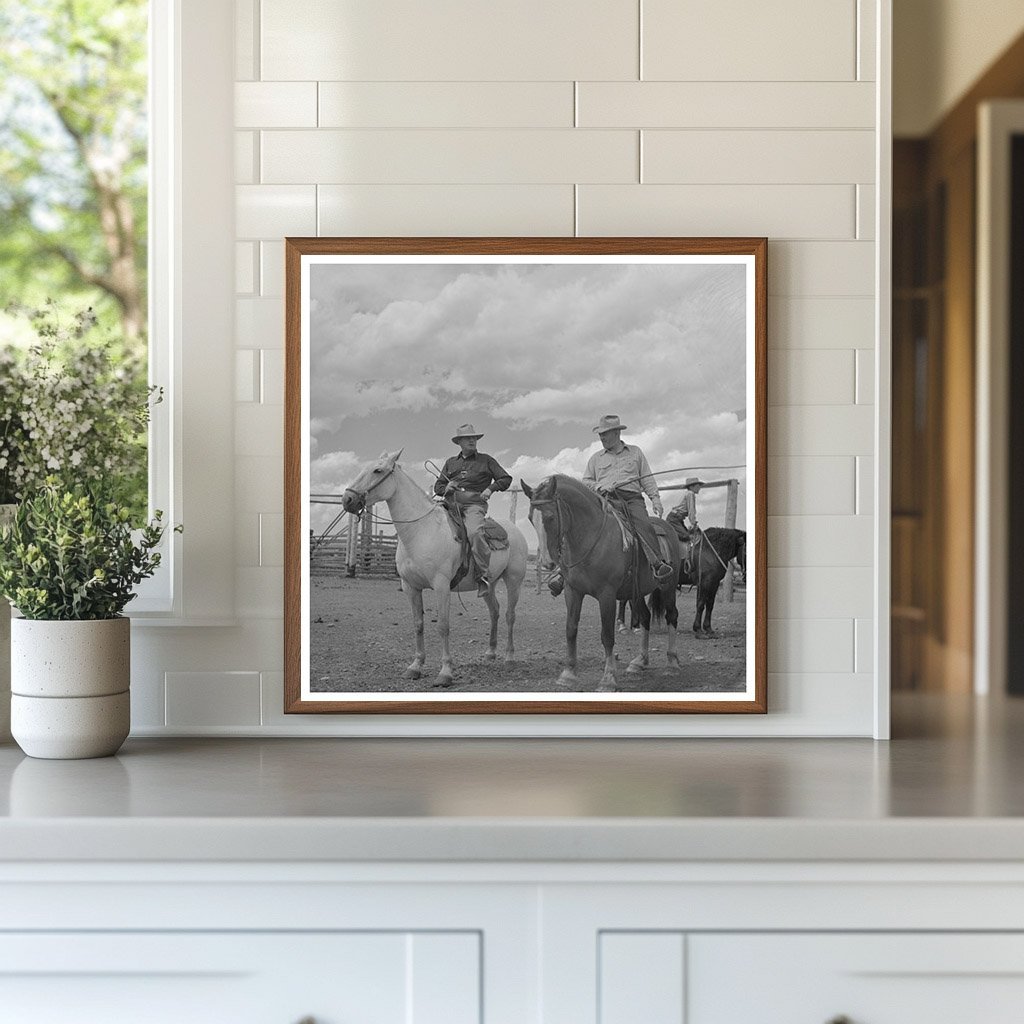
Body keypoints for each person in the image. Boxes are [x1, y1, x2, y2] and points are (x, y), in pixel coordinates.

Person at [548, 414, 673, 597]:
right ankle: (563, 572)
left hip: (631, 500)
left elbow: (647, 479)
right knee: (579, 529)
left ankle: (657, 564)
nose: (602, 438)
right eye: (600, 434)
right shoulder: (595, 458)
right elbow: (586, 482)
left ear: (616, 433)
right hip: (604, 500)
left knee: (644, 526)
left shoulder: (636, 452)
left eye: (605, 434)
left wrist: (655, 499)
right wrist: (600, 486)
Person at [434, 424, 512, 595]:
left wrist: (490, 489)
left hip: (473, 505)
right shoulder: (450, 462)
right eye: (468, 438)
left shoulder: (486, 460)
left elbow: (506, 478)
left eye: (474, 438)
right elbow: (437, 487)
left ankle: (483, 576)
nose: (472, 440)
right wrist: (446, 488)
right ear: (459, 442)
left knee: (474, 533)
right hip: (449, 504)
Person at [667, 476, 702, 576]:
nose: (699, 488)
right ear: (692, 486)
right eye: (698, 485)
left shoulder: (687, 493)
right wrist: (693, 523)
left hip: (676, 518)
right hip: (675, 519)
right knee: (688, 537)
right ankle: (685, 562)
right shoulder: (690, 494)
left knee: (686, 536)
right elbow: (691, 511)